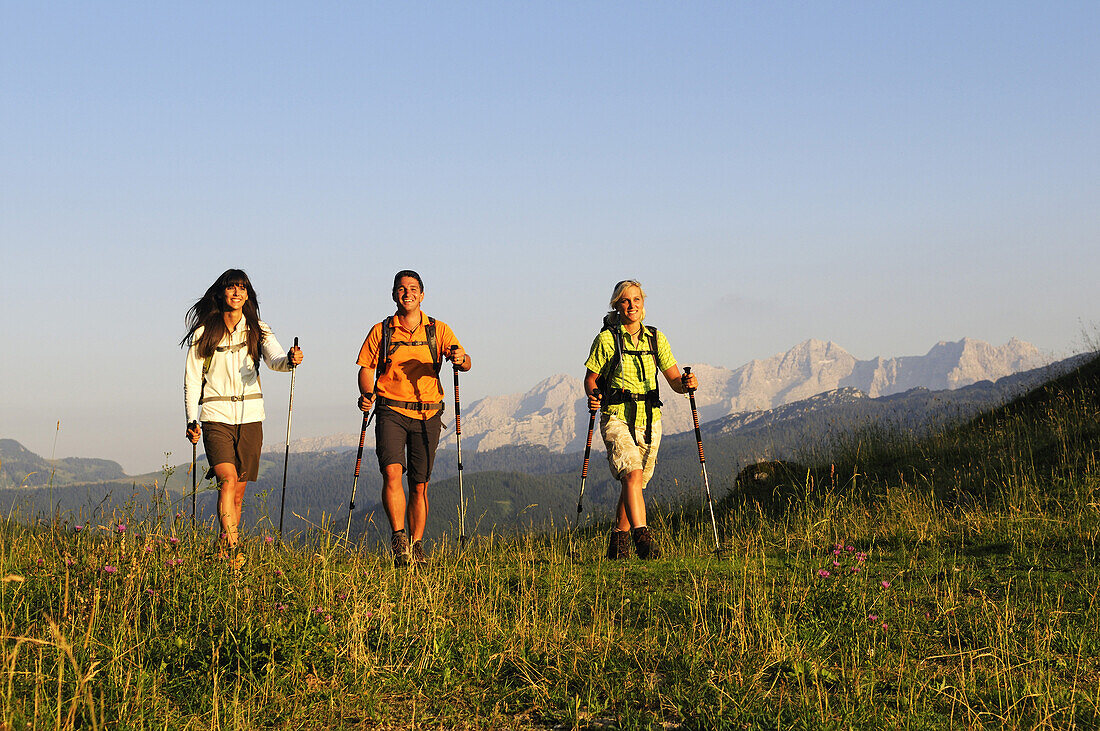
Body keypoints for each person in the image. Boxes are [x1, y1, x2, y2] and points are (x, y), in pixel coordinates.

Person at [182, 269, 303, 564]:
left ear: (247, 295)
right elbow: (191, 379)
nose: (236, 293)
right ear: (222, 293)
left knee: (238, 494)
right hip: (215, 416)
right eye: (231, 288)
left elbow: (275, 359)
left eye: (242, 288)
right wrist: (191, 419)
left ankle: (224, 553)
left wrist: (290, 360)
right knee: (227, 480)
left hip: (251, 416)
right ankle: (236, 551)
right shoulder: (204, 333)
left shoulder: (258, 330)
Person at [356, 270, 471, 566]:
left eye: (413, 289)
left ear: (422, 294)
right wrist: (367, 393)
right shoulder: (381, 331)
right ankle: (399, 539)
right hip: (390, 410)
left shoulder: (438, 330)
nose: (407, 293)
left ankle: (417, 545)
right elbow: (367, 369)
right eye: (402, 289)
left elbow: (465, 360)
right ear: (394, 294)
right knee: (392, 472)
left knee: (420, 484)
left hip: (427, 413)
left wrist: (459, 358)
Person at [584, 279, 698, 560]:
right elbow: (591, 378)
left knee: (634, 483)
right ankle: (643, 539)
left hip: (650, 418)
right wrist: (594, 394)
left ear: (643, 304)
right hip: (616, 416)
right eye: (625, 300)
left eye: (636, 299)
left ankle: (617, 545)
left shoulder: (656, 338)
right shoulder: (607, 339)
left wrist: (687, 384)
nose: (631, 305)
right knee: (632, 474)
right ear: (617, 305)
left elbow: (673, 379)